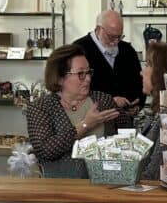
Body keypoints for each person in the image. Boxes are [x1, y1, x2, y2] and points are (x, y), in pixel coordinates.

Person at [25, 44, 120, 177]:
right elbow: (45, 150)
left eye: (88, 72)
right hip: (61, 186)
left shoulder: (103, 100)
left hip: (105, 183)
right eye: (81, 74)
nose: (88, 79)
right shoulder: (41, 107)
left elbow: (127, 136)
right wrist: (85, 125)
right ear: (59, 78)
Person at [74, 9, 142, 127]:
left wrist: (137, 104)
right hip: (93, 125)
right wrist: (110, 102)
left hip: (124, 124)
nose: (115, 42)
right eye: (111, 37)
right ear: (98, 29)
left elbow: (139, 82)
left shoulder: (127, 50)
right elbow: (74, 91)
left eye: (119, 37)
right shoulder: (78, 50)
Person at [134, 42, 167, 180]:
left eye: (148, 65)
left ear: (161, 72)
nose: (141, 72)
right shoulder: (157, 111)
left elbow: (155, 172)